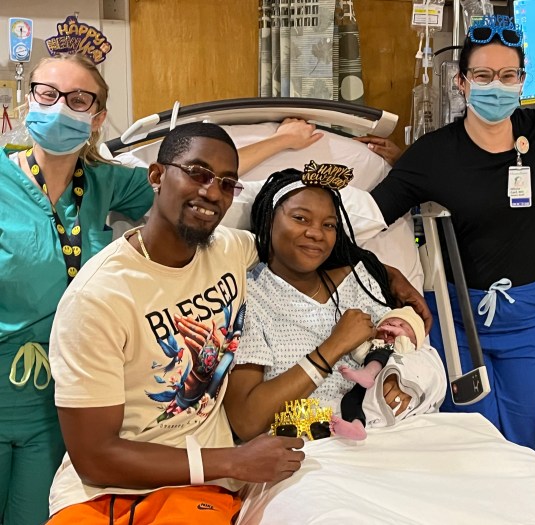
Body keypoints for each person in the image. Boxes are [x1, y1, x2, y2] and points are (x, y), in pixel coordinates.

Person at [0, 51, 329, 525]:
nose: (58, 110)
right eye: (47, 95)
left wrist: (280, 142)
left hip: (60, 399)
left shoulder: (105, 184)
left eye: (76, 99)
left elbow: (208, 176)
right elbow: (190, 171)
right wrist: (233, 461)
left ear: (96, 117)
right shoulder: (100, 290)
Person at [45, 122, 306, 524]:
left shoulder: (231, 251)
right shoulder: (98, 298)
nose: (211, 192)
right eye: (198, 174)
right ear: (156, 175)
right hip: (100, 492)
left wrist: (388, 276)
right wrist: (235, 461)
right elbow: (95, 459)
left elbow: (304, 249)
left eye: (226, 183)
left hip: (197, 492)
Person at [369, 14, 535, 450]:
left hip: (533, 318)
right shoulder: (432, 155)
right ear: (462, 83)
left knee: (521, 439)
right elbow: (370, 216)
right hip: (455, 318)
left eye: (507, 75)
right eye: (483, 75)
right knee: (469, 438)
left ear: (522, 81)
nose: (496, 85)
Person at [228, 167, 445, 442]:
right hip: (313, 450)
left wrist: (405, 380)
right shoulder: (248, 298)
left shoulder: (360, 278)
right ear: (269, 220)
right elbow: (246, 421)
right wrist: (333, 346)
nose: (316, 233)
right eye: (300, 218)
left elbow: (417, 353)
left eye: (328, 225)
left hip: (388, 434)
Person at [333, 306, 426, 440]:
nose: (393, 325)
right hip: (366, 387)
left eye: (402, 325)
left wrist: (399, 335)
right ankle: (357, 426)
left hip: (389, 381)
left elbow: (404, 348)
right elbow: (358, 353)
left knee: (383, 352)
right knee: (350, 400)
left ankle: (368, 373)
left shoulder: (408, 349)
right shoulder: (375, 344)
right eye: (388, 323)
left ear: (414, 341)